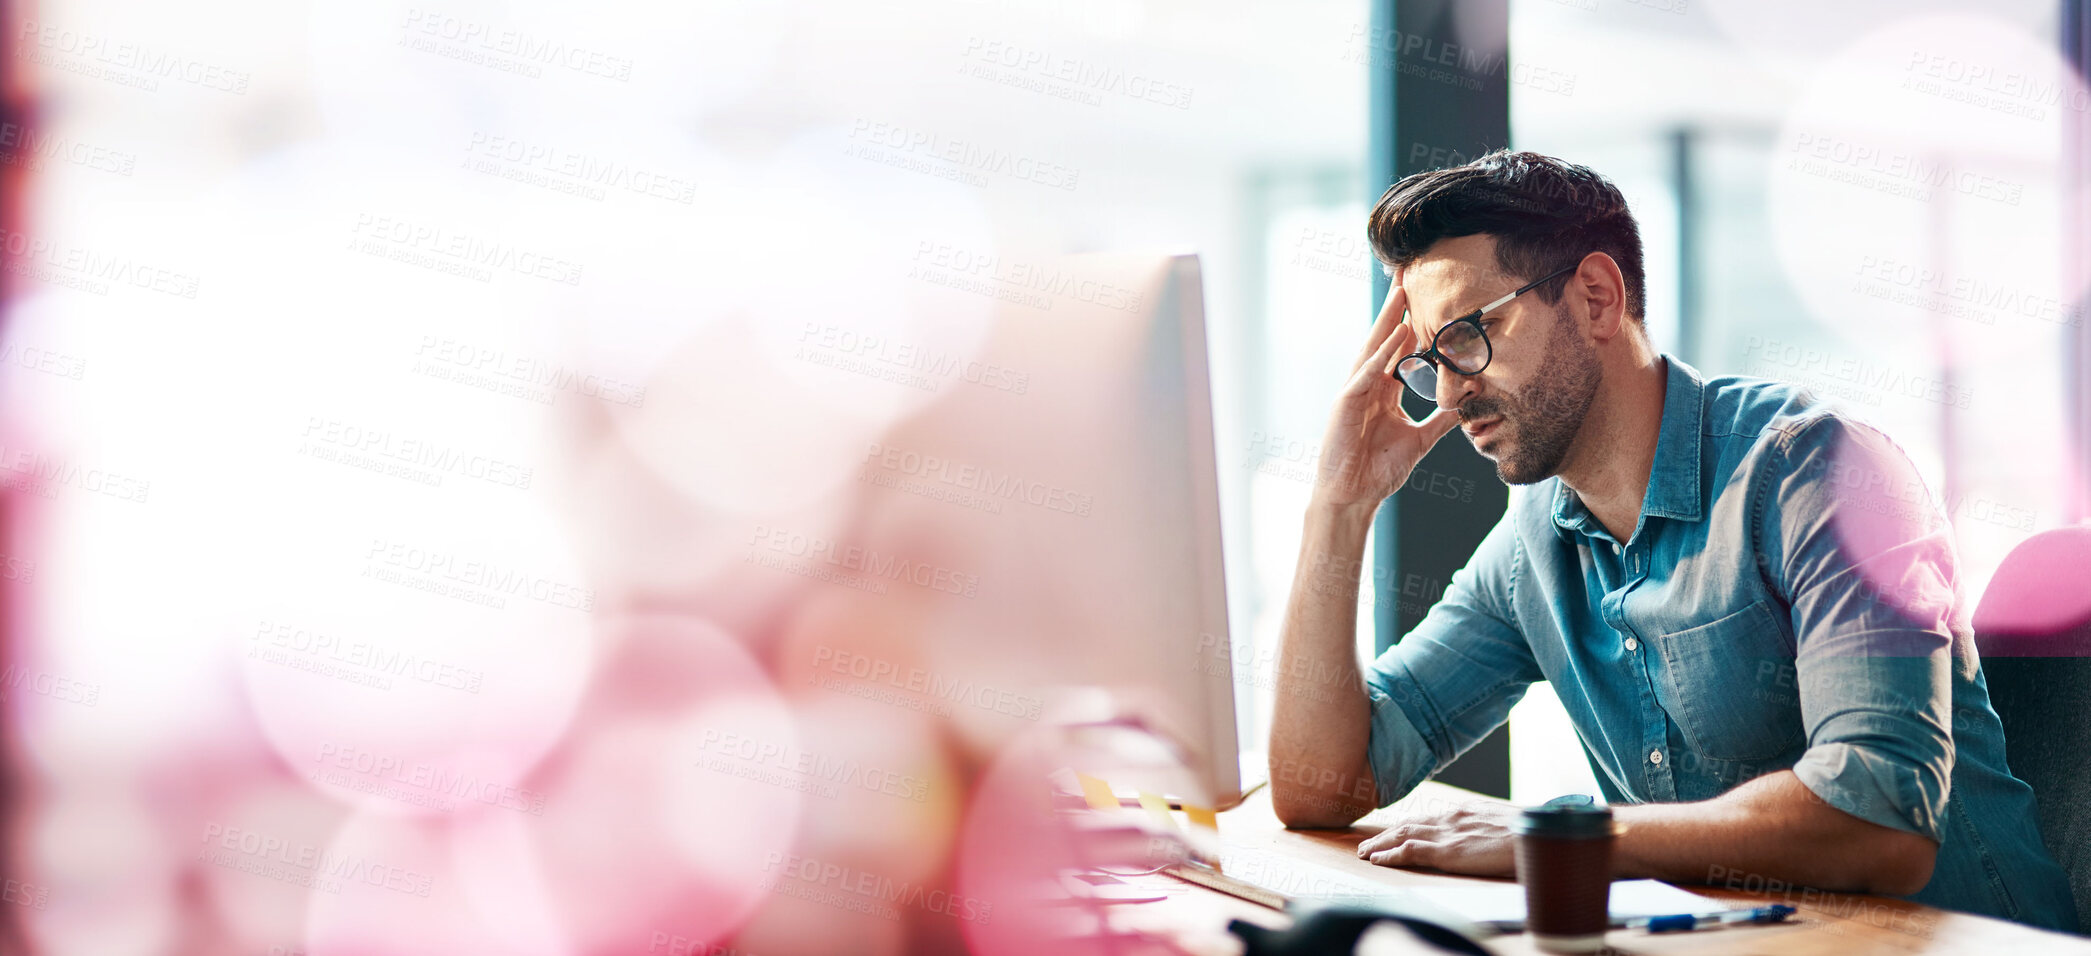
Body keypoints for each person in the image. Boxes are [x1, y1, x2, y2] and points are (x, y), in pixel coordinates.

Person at [1264, 150, 2077, 931]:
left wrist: (1558, 843)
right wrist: (1339, 504)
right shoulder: (1533, 548)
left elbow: (1877, 815)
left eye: (1469, 336)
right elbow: (1321, 785)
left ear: (1593, 297)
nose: (1446, 392)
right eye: (1430, 360)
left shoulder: (1821, 475)